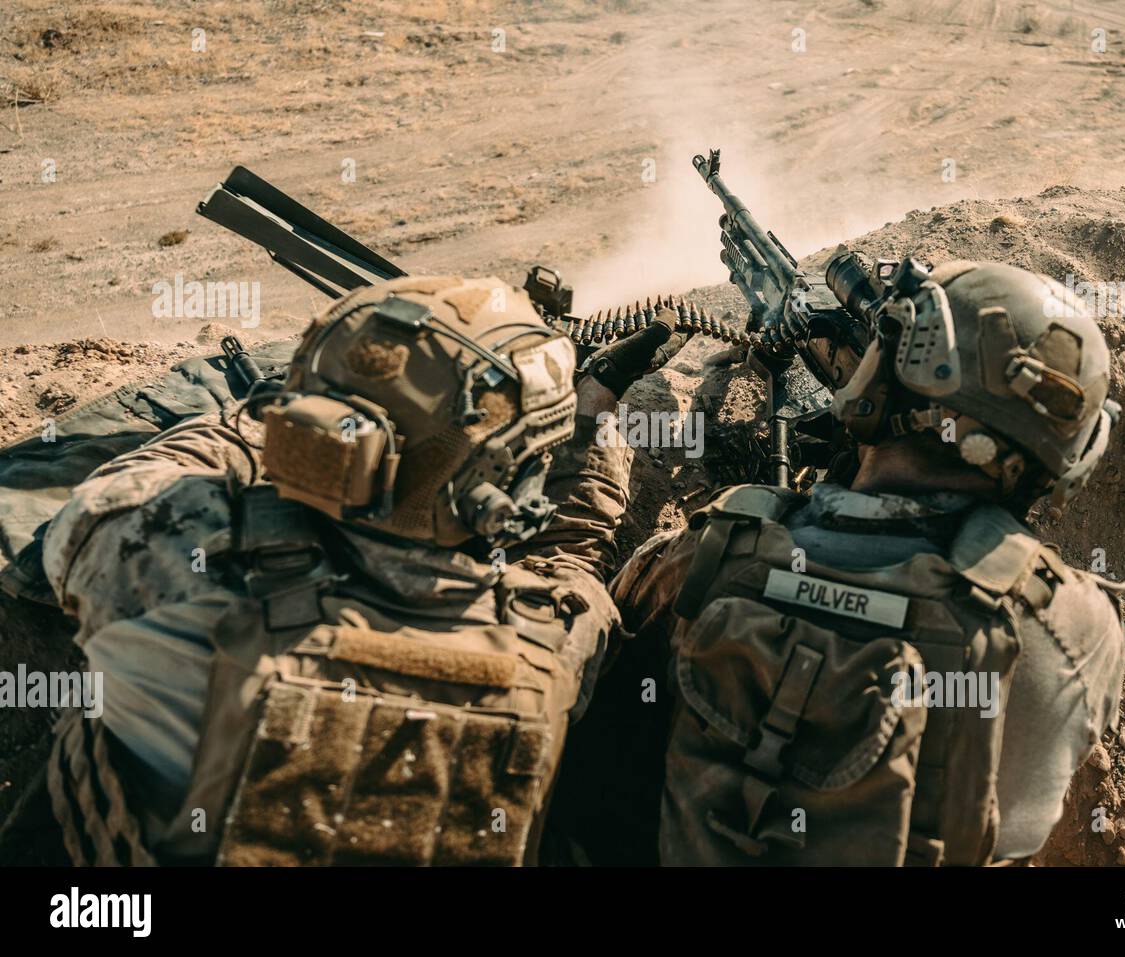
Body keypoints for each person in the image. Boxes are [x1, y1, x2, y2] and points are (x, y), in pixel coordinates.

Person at [36, 274, 683, 866]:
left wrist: (303, 414)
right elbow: (572, 551)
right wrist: (593, 411)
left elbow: (134, 484)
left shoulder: (154, 557)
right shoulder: (547, 643)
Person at [555, 259, 1125, 866]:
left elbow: (579, 638)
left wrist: (590, 411)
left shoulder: (706, 557)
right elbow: (1013, 824)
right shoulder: (1074, 630)